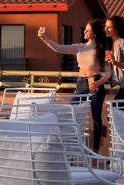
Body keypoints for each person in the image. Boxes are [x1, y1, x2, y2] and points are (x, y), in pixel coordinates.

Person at [37, 20, 111, 152]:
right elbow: (59, 48)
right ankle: (71, 149)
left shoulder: (101, 49)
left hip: (95, 83)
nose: (85, 32)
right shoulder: (79, 47)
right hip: (81, 84)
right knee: (72, 113)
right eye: (85, 29)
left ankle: (95, 152)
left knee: (96, 118)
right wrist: (45, 38)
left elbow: (108, 72)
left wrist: (99, 82)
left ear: (94, 33)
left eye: (87, 30)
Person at [104, 16, 124, 106]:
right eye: (105, 26)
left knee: (123, 113)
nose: (105, 29)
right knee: (116, 112)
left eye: (109, 27)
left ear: (117, 29)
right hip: (122, 84)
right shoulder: (111, 43)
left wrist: (115, 62)